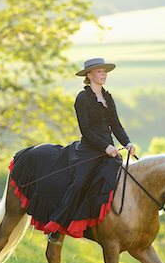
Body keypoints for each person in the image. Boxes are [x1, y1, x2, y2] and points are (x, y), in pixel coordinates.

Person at [46, 57, 136, 242]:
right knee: (79, 184)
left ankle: (106, 223)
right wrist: (106, 147)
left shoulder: (108, 97)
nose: (103, 75)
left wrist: (127, 143)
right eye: (99, 72)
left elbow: (116, 125)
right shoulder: (82, 98)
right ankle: (58, 226)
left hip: (110, 151)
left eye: (105, 72)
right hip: (90, 150)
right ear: (89, 75)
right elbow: (85, 130)